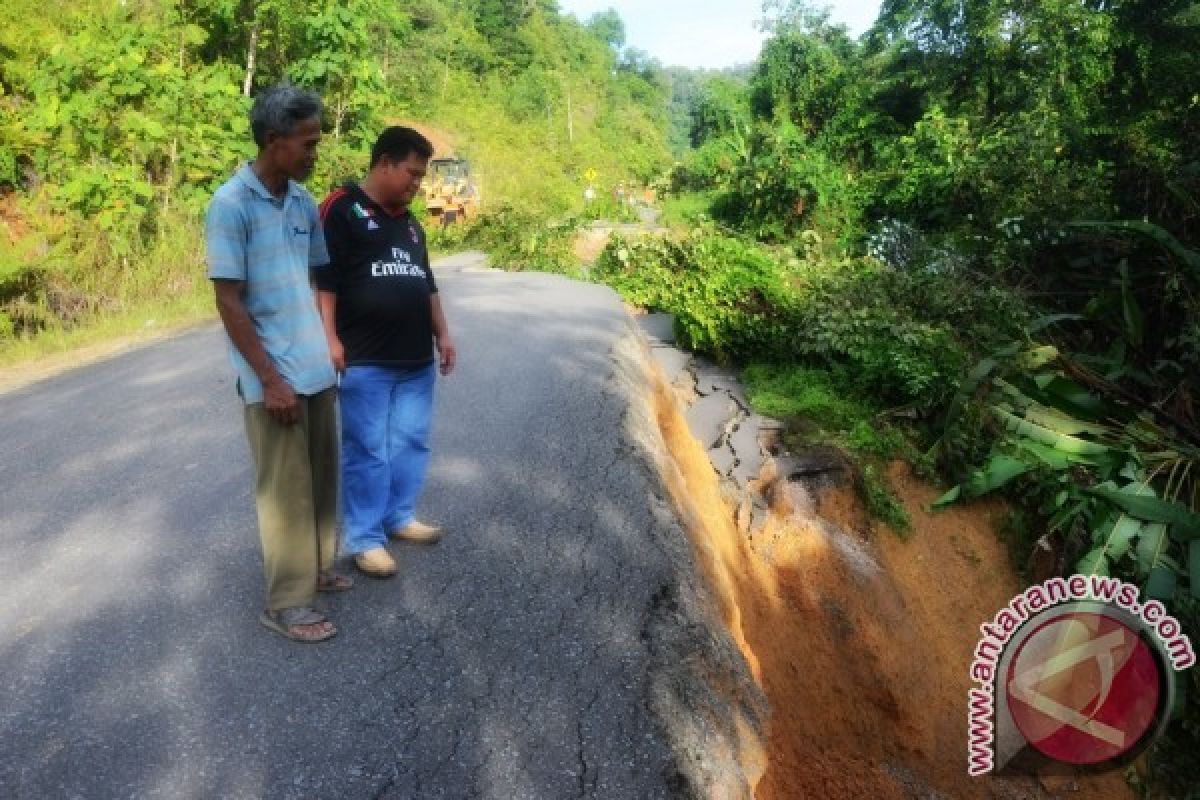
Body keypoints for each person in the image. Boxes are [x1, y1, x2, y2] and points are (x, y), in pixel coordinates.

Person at [205, 84, 351, 644]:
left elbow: (316, 281)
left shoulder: (304, 203)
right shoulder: (230, 205)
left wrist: (328, 345)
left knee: (319, 478)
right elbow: (228, 300)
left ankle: (314, 568)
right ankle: (286, 602)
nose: (316, 153)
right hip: (272, 377)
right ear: (274, 141)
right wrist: (270, 377)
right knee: (284, 490)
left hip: (312, 364)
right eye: (308, 143)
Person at [316, 126, 457, 579]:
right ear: (384, 164)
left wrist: (443, 335)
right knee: (368, 450)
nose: (418, 184)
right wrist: (329, 339)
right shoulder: (341, 209)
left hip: (415, 358)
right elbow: (324, 282)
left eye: (421, 176)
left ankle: (399, 517)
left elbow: (426, 283)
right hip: (366, 358)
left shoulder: (412, 223)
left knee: (411, 442)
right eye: (412, 174)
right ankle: (365, 539)